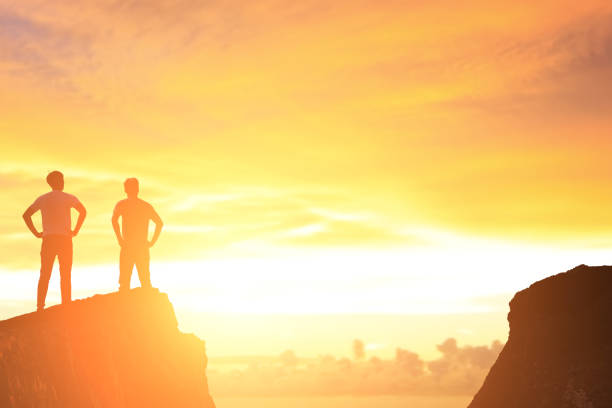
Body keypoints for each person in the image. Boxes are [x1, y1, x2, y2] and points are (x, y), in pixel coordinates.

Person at [22, 171, 87, 311]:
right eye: (61, 179)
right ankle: (66, 304)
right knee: (65, 273)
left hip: (48, 239)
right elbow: (83, 211)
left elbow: (26, 215)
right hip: (64, 239)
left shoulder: (42, 199)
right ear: (59, 181)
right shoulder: (69, 197)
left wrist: (36, 233)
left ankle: (40, 306)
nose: (63, 182)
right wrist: (75, 230)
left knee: (45, 273)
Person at [112, 178, 163, 291]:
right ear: (137, 189)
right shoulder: (145, 206)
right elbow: (159, 223)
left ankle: (126, 305)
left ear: (125, 189)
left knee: (125, 283)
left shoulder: (122, 204)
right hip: (141, 246)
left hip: (128, 246)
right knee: (144, 280)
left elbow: (114, 220)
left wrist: (120, 239)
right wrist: (152, 242)